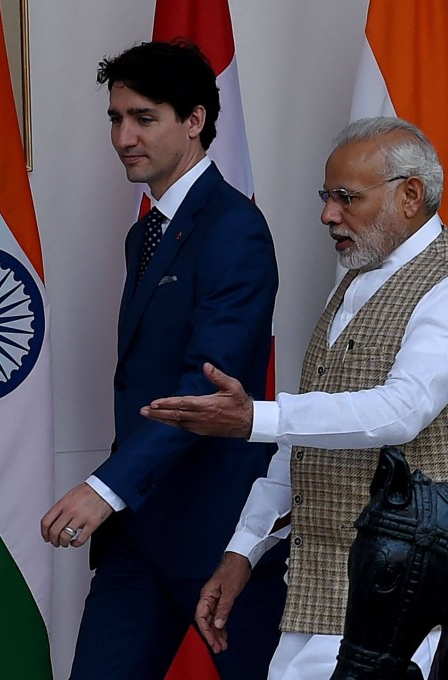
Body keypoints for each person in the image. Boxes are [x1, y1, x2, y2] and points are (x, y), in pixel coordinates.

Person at [142, 116, 448, 680]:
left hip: (417, 605)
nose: (328, 215)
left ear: (410, 195)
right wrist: (244, 549)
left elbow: (400, 412)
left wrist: (253, 419)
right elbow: (307, 437)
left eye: (346, 197)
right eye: (326, 196)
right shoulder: (357, 281)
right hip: (325, 591)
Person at [39, 40, 286, 680]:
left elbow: (202, 391)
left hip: (218, 531)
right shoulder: (144, 231)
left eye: (144, 118)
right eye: (116, 119)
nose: (124, 136)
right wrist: (120, 495)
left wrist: (106, 487)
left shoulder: (234, 229)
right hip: (137, 528)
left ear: (195, 120)